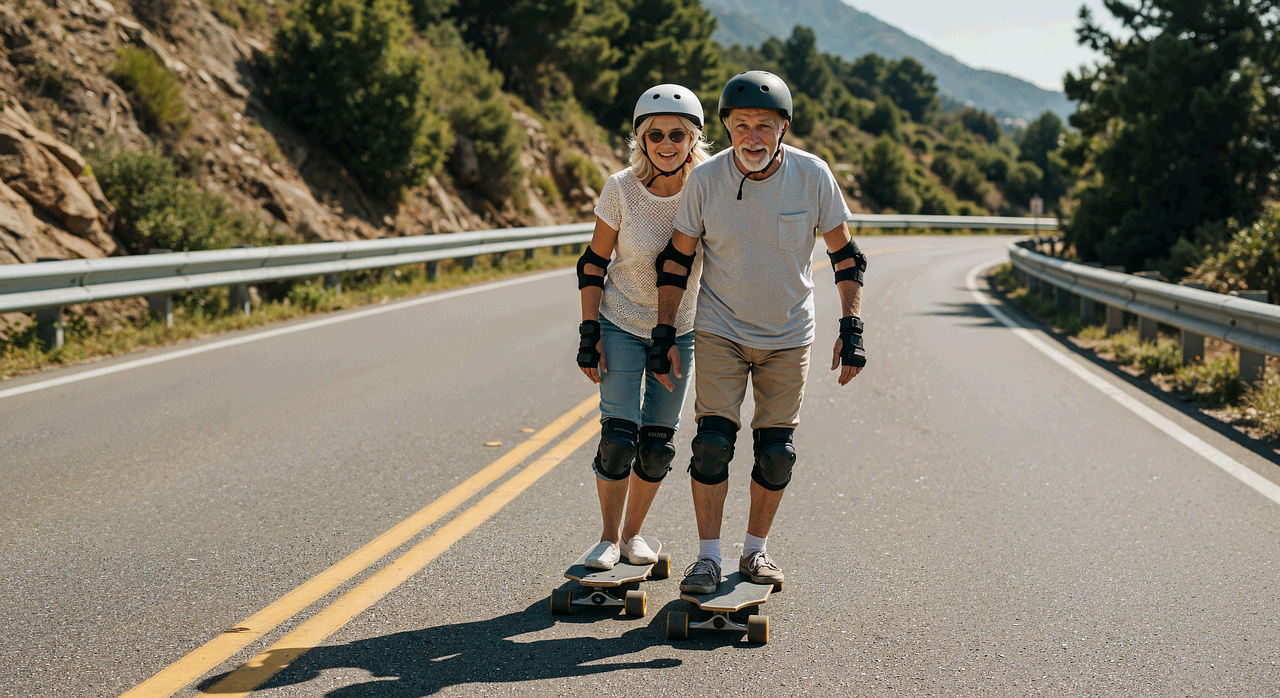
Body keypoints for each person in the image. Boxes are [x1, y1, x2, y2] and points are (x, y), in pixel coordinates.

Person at [646, 71, 868, 594]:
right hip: (721, 328)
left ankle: (755, 551)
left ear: (783, 128)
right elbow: (676, 261)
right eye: (740, 125)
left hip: (789, 335)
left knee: (776, 453)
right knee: (711, 446)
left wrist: (852, 327)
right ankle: (707, 558)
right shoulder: (706, 181)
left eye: (763, 126)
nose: (751, 137)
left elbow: (846, 255)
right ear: (725, 127)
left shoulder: (813, 176)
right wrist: (662, 335)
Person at [575, 84, 712, 570]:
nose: (667, 143)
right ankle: (609, 537)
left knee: (656, 445)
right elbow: (593, 263)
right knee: (618, 437)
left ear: (693, 138)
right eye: (655, 134)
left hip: (683, 329)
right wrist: (589, 335)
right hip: (620, 321)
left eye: (678, 134)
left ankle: (634, 534)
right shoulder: (621, 188)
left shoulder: (707, 189)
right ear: (641, 139)